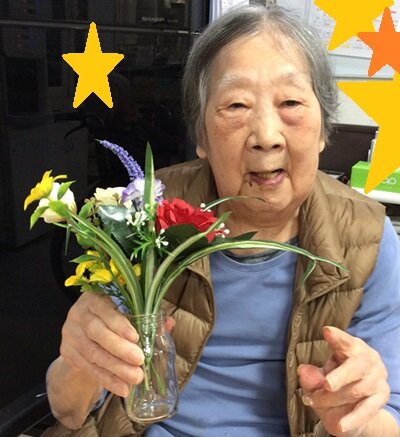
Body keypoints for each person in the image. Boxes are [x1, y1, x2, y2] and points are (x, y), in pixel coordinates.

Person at [43, 4, 400, 437]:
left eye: (290, 102)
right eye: (236, 105)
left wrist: (355, 414)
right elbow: (70, 410)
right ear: (202, 137)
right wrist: (79, 360)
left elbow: (391, 418)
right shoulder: (142, 213)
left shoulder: (368, 237)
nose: (266, 136)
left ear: (323, 128)